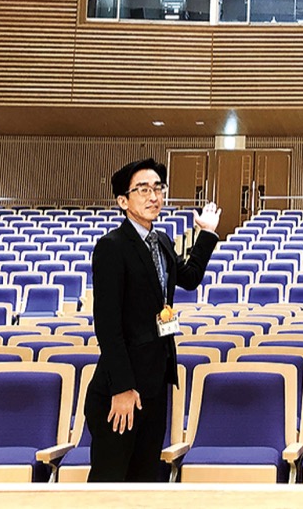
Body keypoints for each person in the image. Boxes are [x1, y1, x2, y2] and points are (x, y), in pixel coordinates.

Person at [85, 156, 221, 482]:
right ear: (123, 201)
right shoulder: (111, 247)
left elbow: (189, 278)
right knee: (110, 482)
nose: (153, 196)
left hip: (155, 384)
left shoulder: (161, 242)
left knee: (145, 479)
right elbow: (107, 325)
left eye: (158, 188)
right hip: (122, 389)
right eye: (143, 189)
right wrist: (123, 387)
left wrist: (206, 234)